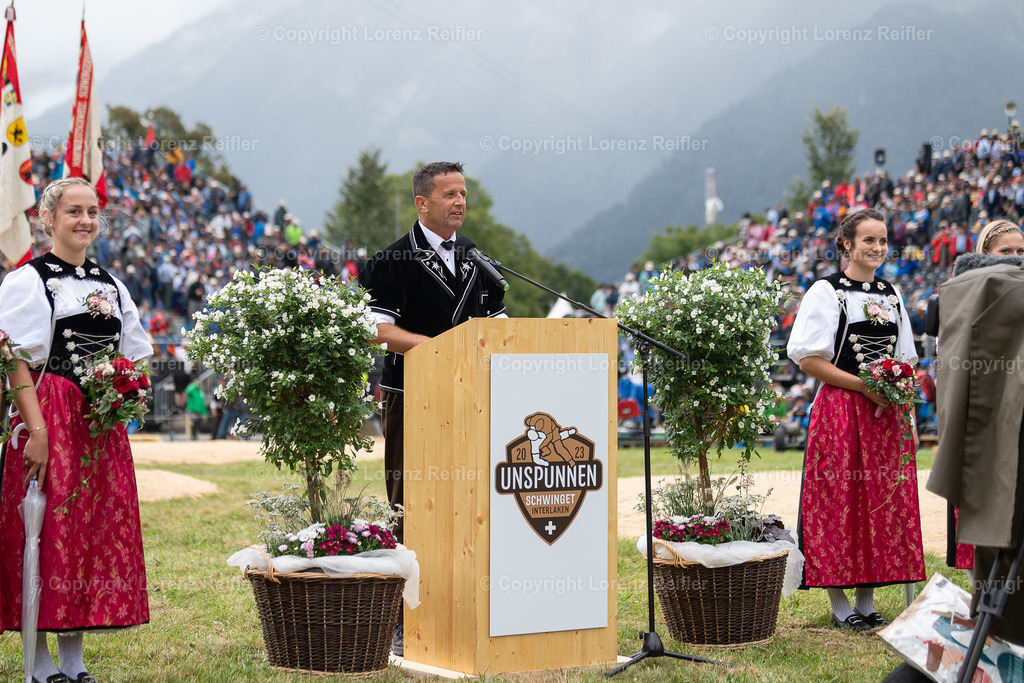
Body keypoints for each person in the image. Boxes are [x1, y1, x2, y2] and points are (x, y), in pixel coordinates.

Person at [0, 178, 152, 682]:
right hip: (48, 414)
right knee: (43, 533)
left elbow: (131, 355)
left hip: (99, 424)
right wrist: (36, 429)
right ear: (48, 219)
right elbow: (15, 361)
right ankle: (39, 664)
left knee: (85, 535)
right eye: (73, 212)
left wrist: (127, 388)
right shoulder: (28, 280)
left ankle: (73, 660)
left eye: (92, 211)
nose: (85, 220)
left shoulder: (110, 283)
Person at [357, 162, 507, 655]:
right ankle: (406, 617)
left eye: (463, 192)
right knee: (412, 506)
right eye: (449, 194)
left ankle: (468, 604)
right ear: (422, 203)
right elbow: (378, 331)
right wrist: (442, 350)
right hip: (413, 400)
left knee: (475, 502)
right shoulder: (390, 262)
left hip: (477, 404)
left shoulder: (479, 261)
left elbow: (500, 328)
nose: (459, 201)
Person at [786, 208, 924, 632]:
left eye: (882, 241)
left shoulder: (891, 292)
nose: (877, 248)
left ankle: (867, 598)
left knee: (880, 499)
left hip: (886, 413)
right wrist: (863, 386)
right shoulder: (827, 292)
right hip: (842, 409)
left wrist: (910, 419)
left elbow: (905, 360)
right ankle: (839, 601)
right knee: (838, 500)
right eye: (868, 240)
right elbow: (808, 358)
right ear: (846, 244)